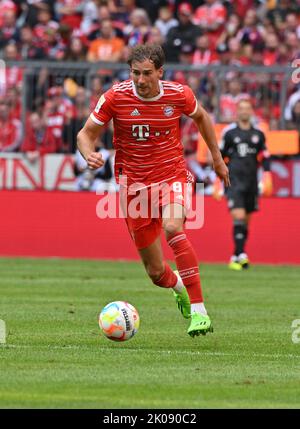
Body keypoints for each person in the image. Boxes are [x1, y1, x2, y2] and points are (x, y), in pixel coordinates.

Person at [77, 44, 229, 337]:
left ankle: (199, 312)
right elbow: (85, 134)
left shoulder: (178, 94)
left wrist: (217, 158)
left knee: (173, 228)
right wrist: (88, 153)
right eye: (136, 73)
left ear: (160, 72)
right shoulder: (115, 97)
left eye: (147, 73)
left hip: (171, 175)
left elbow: (202, 118)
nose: (141, 79)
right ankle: (180, 288)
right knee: (156, 272)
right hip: (133, 187)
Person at [213, 99, 273, 270]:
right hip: (233, 180)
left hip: (252, 182)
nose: (244, 112)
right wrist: (217, 180)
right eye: (241, 109)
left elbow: (266, 156)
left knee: (245, 221)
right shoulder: (229, 133)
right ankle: (242, 255)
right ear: (237, 112)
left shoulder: (258, 134)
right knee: (238, 217)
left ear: (252, 111)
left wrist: (267, 176)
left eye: (247, 109)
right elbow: (219, 157)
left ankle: (236, 255)